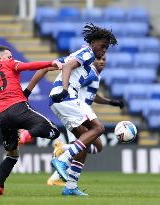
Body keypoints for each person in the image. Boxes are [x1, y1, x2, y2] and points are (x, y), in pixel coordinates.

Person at [0, 45, 62, 195]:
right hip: (18, 107)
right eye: (9, 56)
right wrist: (52, 63)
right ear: (0, 58)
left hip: (2, 116)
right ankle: (28, 134)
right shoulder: (10, 64)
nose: (12, 58)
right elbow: (30, 66)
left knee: (12, 154)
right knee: (54, 130)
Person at [48, 23, 118, 196]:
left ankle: (70, 186)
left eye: (106, 49)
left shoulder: (84, 60)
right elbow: (66, 67)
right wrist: (65, 90)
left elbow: (58, 66)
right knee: (99, 129)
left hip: (59, 100)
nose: (103, 52)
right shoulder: (87, 54)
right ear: (93, 42)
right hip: (67, 98)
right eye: (102, 47)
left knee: (84, 143)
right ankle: (63, 158)